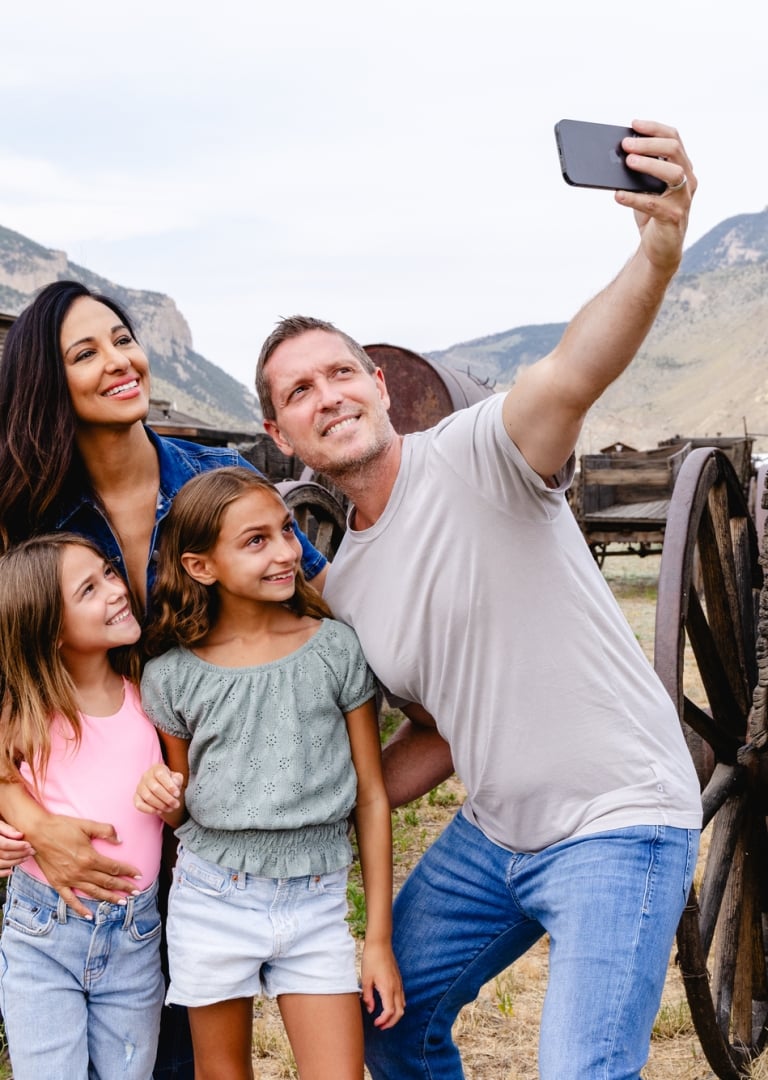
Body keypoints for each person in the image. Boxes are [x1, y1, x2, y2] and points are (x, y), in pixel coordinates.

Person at [254, 120, 704, 1079]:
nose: (328, 395)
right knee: (386, 1026)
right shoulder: (345, 586)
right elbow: (440, 728)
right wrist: (330, 804)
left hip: (618, 818)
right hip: (497, 832)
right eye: (300, 391)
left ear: (379, 387)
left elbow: (575, 367)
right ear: (280, 434)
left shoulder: (480, 454)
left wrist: (659, 252)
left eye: (341, 372)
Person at [0, 280, 327, 1078]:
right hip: (78, 842)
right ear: (49, 383)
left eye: (122, 337)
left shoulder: (215, 480)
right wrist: (31, 822)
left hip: (216, 822)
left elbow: (311, 618)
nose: (120, 360)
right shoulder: (27, 517)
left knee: (173, 1053)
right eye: (86, 352)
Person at [134, 466, 404, 1080]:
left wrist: (378, 941)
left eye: (285, 530)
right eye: (256, 541)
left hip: (315, 904)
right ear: (202, 566)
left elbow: (370, 795)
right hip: (211, 899)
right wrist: (161, 793)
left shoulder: (335, 649)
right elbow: (182, 809)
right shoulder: (172, 676)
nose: (286, 551)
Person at [0, 534, 165, 1079]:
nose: (116, 590)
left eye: (108, 573)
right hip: (45, 932)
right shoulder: (28, 710)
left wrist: (172, 791)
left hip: (136, 938)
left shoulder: (152, 692)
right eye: (88, 589)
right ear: (49, 628)